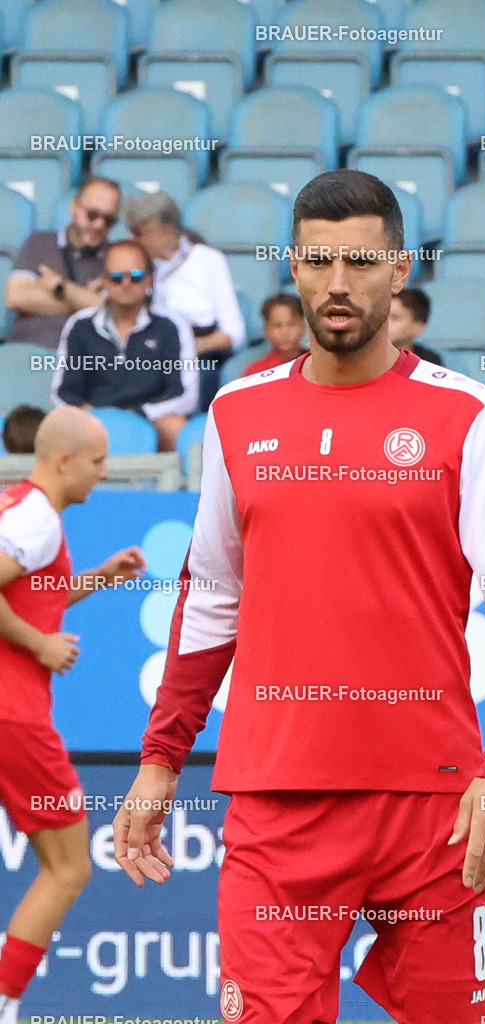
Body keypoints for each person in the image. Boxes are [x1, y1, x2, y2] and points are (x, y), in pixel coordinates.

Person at [113, 170, 485, 1024]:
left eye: (361, 261)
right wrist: (159, 758)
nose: (337, 283)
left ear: (398, 270)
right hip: (276, 807)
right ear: (292, 266)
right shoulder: (238, 416)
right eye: (318, 263)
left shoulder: (466, 416)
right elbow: (210, 599)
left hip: (432, 808)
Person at [0, 406, 146, 1024]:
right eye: (97, 462)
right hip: (14, 716)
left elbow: (29, 592)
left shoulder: (21, 508)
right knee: (68, 867)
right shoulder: (36, 517)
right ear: (62, 460)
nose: (104, 474)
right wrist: (39, 646)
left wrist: (100, 578)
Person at [51, 240, 198, 452]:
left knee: (176, 427)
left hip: (151, 418)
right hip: (90, 419)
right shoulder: (80, 325)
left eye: (136, 277)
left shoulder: (172, 326)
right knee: (53, 425)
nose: (126, 284)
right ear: (104, 281)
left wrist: (137, 414)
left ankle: (181, 486)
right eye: (117, 277)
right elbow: (62, 392)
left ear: (150, 280)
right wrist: (95, 415)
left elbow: (184, 394)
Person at [125, 191, 247, 412]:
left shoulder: (208, 260)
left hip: (200, 356)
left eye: (139, 233)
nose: (132, 240)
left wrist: (185, 349)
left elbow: (234, 333)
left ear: (166, 231)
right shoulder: (137, 267)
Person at [5, 178, 121, 350]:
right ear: (74, 207)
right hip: (33, 350)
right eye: (92, 215)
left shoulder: (117, 256)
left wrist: (61, 287)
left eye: (109, 220)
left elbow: (114, 313)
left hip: (87, 358)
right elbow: (16, 297)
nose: (99, 225)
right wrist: (85, 299)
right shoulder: (39, 242)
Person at [242, 293, 308, 377]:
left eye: (292, 324)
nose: (285, 332)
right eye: (277, 325)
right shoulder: (256, 373)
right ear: (266, 330)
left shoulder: (318, 366)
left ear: (304, 327)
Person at [388, 286, 443, 365]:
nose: (385, 324)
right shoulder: (365, 358)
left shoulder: (428, 362)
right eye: (382, 316)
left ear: (417, 327)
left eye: (395, 318)